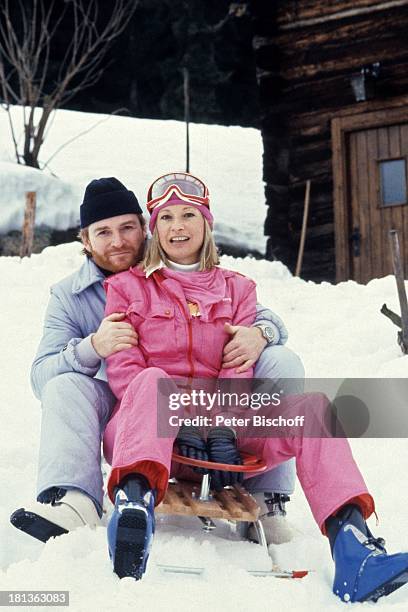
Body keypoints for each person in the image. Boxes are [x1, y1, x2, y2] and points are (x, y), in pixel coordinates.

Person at [102, 171, 408, 603]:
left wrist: (222, 426)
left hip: (227, 442)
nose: (177, 226)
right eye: (166, 217)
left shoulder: (237, 289)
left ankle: (353, 548)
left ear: (206, 222)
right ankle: (132, 514)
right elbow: (124, 369)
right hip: (151, 439)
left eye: (188, 214)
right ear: (154, 227)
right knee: (152, 379)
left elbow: (240, 365)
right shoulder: (127, 288)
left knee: (315, 407)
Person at [10, 176, 304, 545]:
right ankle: (75, 501)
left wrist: (261, 333)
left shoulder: (175, 266)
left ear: (145, 228)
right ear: (85, 240)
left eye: (128, 228)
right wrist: (92, 348)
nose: (118, 241)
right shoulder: (70, 296)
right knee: (66, 383)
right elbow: (41, 378)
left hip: (191, 404)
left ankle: (266, 498)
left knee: (279, 360)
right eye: (103, 232)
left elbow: (244, 310)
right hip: (116, 404)